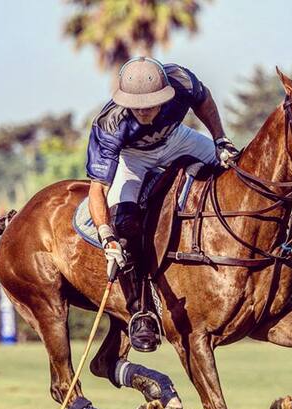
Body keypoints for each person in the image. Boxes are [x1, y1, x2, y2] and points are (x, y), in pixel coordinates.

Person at [86, 56, 239, 353]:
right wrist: (108, 237)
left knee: (235, 169)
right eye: (137, 106)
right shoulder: (110, 125)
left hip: (177, 139)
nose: (144, 111)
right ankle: (141, 313)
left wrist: (220, 139)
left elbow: (204, 99)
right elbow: (97, 189)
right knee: (127, 229)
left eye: (151, 104)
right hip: (133, 159)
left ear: (165, 94)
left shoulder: (181, 80)